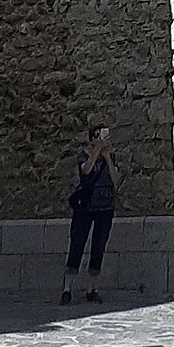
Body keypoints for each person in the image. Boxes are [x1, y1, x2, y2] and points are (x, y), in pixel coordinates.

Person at [61, 121, 117, 305]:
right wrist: (96, 152)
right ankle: (67, 288)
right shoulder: (83, 156)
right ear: (92, 138)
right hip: (85, 207)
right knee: (77, 244)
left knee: (98, 246)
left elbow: (116, 179)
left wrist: (107, 158)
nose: (101, 139)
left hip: (105, 207)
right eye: (98, 136)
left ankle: (91, 288)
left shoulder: (110, 156)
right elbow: (85, 171)